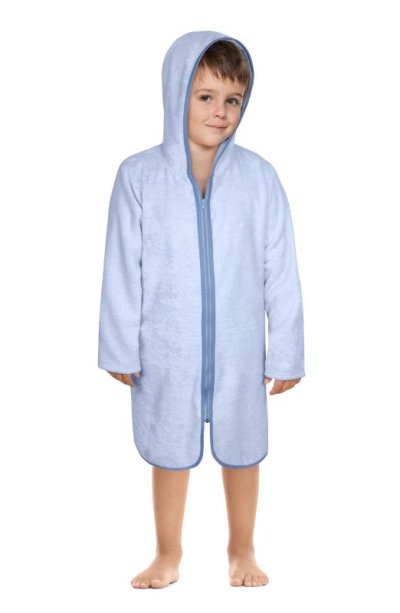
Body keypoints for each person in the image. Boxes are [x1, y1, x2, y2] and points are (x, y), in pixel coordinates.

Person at [98, 30, 305, 589]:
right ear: (176, 93)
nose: (221, 112)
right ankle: (167, 554)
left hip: (240, 346)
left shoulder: (260, 179)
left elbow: (281, 269)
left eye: (233, 99)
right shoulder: (139, 176)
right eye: (206, 96)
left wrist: (286, 351)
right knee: (169, 447)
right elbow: (123, 266)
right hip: (167, 345)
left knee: (243, 449)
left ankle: (242, 549)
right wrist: (118, 346)